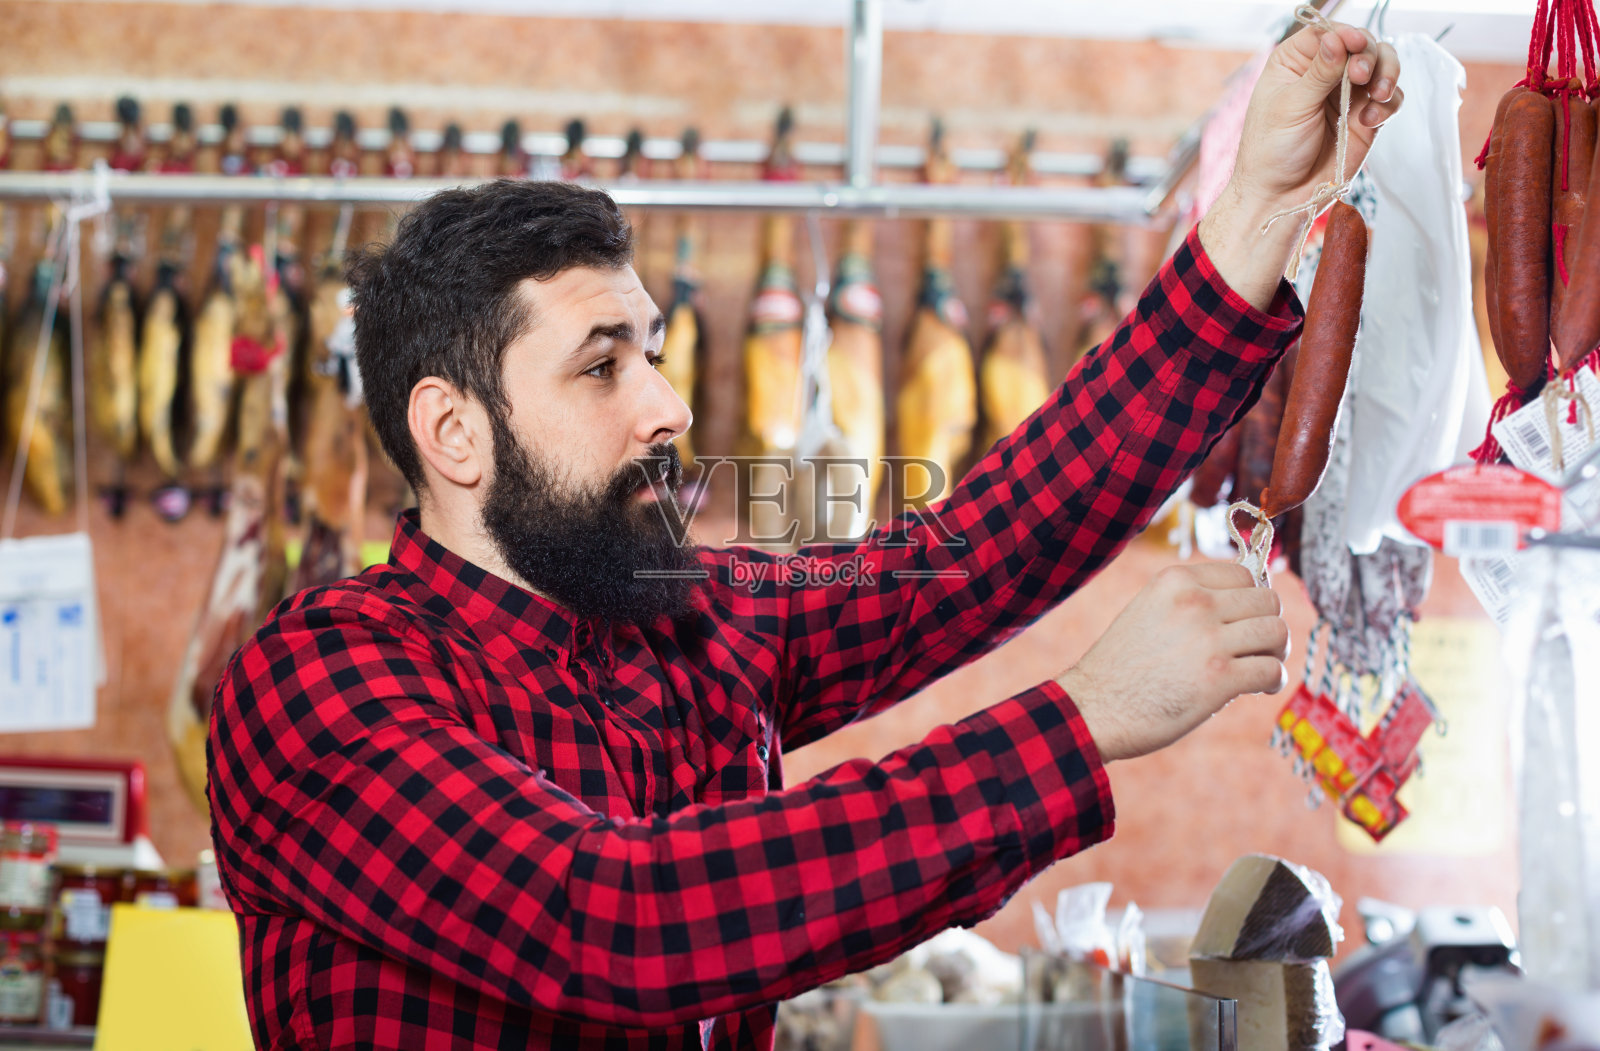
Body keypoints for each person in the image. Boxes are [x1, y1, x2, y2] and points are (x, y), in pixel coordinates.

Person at [208, 21, 1402, 1051]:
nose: (669, 406)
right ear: (453, 432)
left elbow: (985, 545)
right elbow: (620, 924)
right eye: (600, 367)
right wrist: (1079, 721)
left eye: (656, 354)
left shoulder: (690, 617)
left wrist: (1255, 215)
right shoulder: (321, 682)